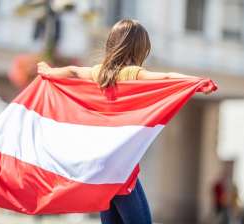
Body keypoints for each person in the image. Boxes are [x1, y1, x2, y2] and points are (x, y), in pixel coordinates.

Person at [37, 19, 214, 224]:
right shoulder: (131, 73)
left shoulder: (99, 72)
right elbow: (166, 78)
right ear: (138, 49)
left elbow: (73, 71)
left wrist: (50, 72)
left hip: (101, 166)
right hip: (120, 167)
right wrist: (197, 83)